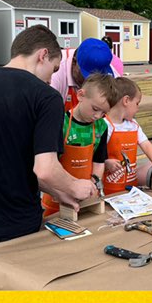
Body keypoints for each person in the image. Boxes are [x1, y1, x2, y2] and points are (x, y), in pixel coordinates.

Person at [0, 26, 97, 245]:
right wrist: (74, 186)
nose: (51, 80)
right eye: (53, 70)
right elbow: (45, 170)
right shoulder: (46, 97)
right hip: (9, 225)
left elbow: (5, 163)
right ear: (42, 55)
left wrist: (57, 192)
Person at [41, 73, 116, 217]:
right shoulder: (60, 124)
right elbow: (50, 164)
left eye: (103, 113)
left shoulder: (101, 127)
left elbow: (99, 161)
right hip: (56, 195)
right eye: (95, 109)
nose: (97, 116)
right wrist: (61, 190)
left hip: (85, 197)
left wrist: (93, 182)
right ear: (81, 95)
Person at [103, 76, 152, 194]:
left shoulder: (133, 125)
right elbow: (93, 154)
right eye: (137, 104)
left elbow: (146, 145)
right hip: (108, 188)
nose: (138, 109)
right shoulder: (104, 125)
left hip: (130, 186)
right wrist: (105, 162)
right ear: (126, 101)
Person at [50, 36, 121, 113]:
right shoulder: (55, 71)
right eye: (86, 76)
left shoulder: (110, 74)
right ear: (74, 62)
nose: (90, 82)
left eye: (97, 79)